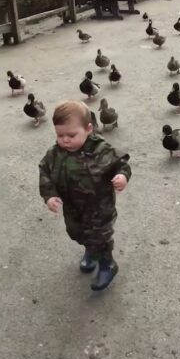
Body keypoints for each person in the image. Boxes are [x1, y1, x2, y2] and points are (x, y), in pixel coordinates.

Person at [38, 100, 132, 291]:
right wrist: (50, 195)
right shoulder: (55, 154)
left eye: (71, 135)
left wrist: (122, 176)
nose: (64, 140)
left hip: (99, 209)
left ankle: (107, 264)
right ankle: (91, 252)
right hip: (73, 209)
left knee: (100, 237)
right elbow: (45, 172)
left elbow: (121, 163)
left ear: (88, 129)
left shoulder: (100, 150)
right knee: (78, 233)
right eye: (59, 135)